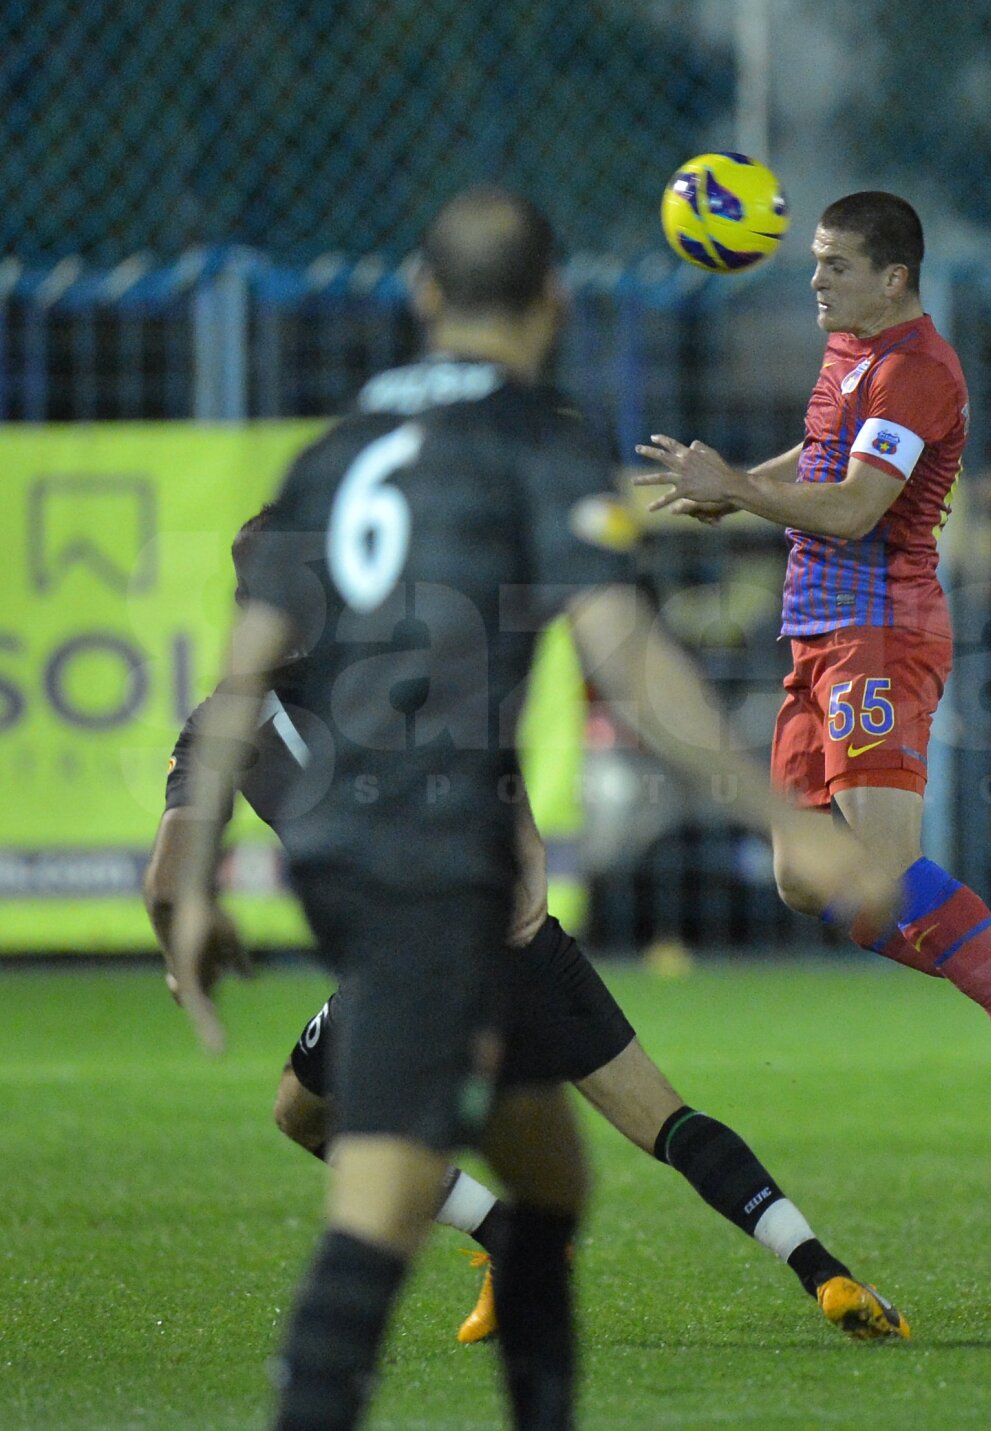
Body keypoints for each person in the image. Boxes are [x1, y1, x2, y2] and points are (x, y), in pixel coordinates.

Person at [166, 188, 900, 1431]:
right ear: (555, 301)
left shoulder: (331, 455)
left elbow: (238, 684)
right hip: (445, 880)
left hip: (356, 877)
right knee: (381, 1187)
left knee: (545, 1182)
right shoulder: (533, 440)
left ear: (422, 296)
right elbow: (629, 659)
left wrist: (180, 882)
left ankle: (522, 1338)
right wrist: (786, 816)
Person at [145, 522, 910, 1348]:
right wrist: (529, 855)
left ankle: (506, 1239)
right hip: (513, 934)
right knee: (667, 1121)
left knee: (307, 1117)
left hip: (403, 966)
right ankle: (822, 1269)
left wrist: (180, 945)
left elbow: (165, 881)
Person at [634, 190, 991, 1159]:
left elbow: (855, 509)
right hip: (818, 635)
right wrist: (746, 484)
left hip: (881, 631)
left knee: (879, 872)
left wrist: (743, 493)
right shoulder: (856, 349)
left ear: (893, 277)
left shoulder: (920, 369)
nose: (814, 279)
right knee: (808, 880)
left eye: (834, 264)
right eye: (814, 260)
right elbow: (829, 449)